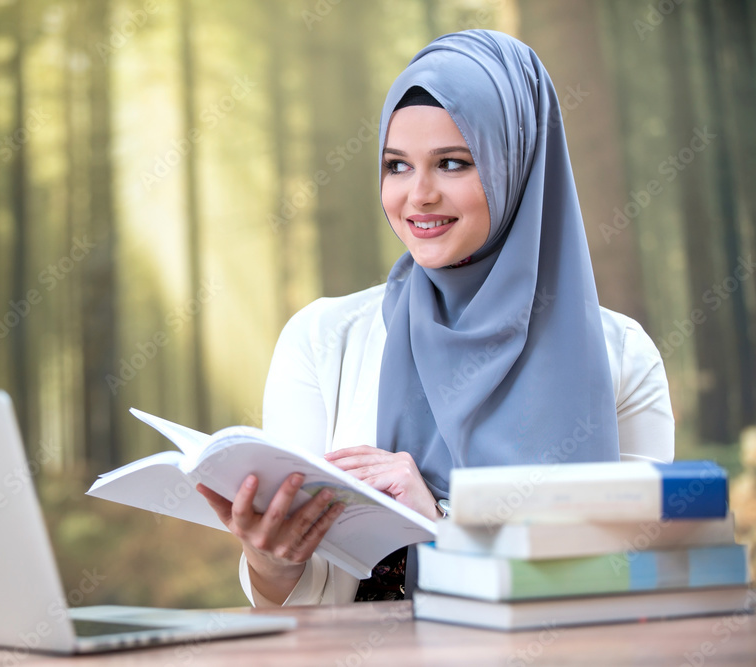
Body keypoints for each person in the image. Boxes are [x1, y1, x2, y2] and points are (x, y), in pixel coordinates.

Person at [196, 30, 674, 607]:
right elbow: (301, 601)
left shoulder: (621, 355)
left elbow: (627, 584)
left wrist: (441, 522)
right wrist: (269, 560)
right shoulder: (322, 340)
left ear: (516, 167)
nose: (417, 195)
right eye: (397, 166)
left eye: (452, 163)